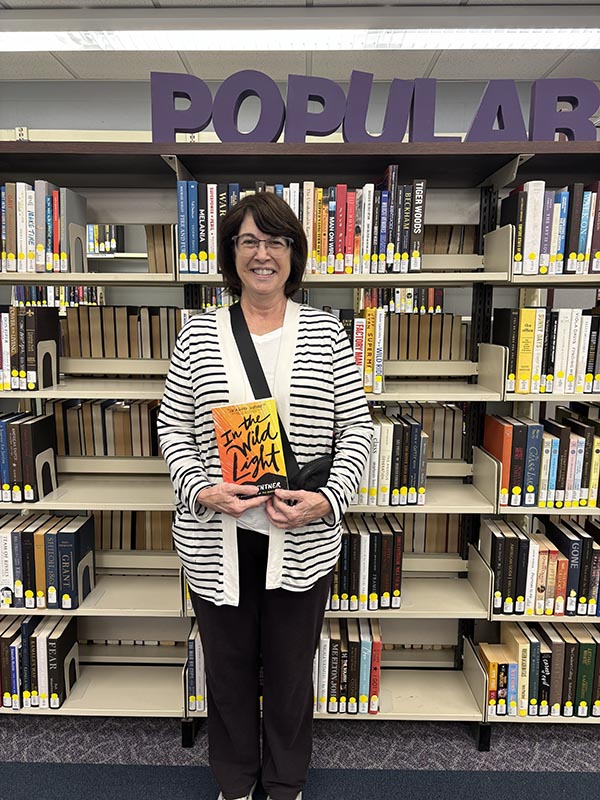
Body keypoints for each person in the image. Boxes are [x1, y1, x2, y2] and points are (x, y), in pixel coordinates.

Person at [157, 191, 373, 800]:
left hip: (300, 538)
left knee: (287, 672)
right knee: (226, 672)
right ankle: (235, 779)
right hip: (215, 538)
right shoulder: (198, 334)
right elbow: (171, 429)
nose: (262, 254)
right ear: (232, 254)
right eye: (249, 241)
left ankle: (284, 781)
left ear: (293, 254)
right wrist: (202, 488)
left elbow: (355, 429)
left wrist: (328, 499)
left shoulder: (327, 334)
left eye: (275, 240)